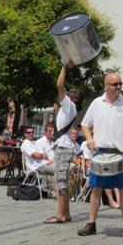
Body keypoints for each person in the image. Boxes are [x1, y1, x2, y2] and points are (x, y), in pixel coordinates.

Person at [78, 72, 123, 240]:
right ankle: (91, 223)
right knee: (96, 188)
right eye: (115, 84)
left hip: (120, 153)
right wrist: (89, 139)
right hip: (100, 153)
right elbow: (85, 125)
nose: (119, 87)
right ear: (106, 86)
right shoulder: (97, 103)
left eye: (120, 84)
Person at [44, 62, 81, 224]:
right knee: (63, 179)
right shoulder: (70, 108)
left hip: (63, 148)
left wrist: (64, 68)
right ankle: (66, 213)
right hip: (66, 146)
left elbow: (59, 85)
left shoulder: (68, 104)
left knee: (60, 180)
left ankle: (60, 215)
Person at [20, 125, 55, 195]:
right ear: (25, 134)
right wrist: (42, 156)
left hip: (43, 164)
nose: (31, 134)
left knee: (62, 168)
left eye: (32, 132)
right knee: (59, 170)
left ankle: (50, 190)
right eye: (29, 132)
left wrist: (44, 158)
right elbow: (36, 156)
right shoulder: (26, 143)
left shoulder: (33, 143)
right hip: (36, 167)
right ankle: (55, 192)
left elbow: (44, 155)